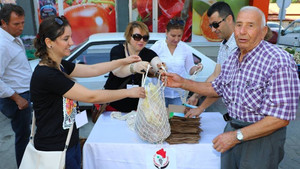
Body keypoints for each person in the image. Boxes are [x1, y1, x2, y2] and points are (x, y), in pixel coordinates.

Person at [162, 6, 299, 169]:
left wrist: (236, 136)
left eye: (250, 25)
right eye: (239, 25)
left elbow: (280, 118)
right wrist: (183, 82)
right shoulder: (234, 57)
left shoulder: (278, 61)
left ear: (263, 31)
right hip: (233, 129)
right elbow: (216, 88)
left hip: (261, 139)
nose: (242, 31)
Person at [30, 16, 145, 169]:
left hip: (69, 140)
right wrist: (129, 93)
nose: (71, 42)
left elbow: (92, 69)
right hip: (54, 147)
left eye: (70, 37)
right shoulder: (47, 74)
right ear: (49, 42)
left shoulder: (60, 65)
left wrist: (123, 61)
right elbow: (92, 96)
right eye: (66, 39)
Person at [185, 1, 237, 117]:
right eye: (211, 26)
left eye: (215, 25)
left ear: (228, 19)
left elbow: (223, 84)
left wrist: (201, 108)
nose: (213, 30)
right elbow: (215, 75)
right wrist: (196, 95)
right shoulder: (224, 45)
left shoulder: (238, 46)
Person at [104, 21, 164, 112]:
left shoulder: (147, 53)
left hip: (136, 107)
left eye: (145, 38)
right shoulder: (117, 50)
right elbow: (117, 71)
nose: (141, 41)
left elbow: (156, 62)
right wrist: (134, 67)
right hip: (113, 105)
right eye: (137, 37)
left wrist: (160, 69)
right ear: (128, 36)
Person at [0, 4, 32, 167]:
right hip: (17, 99)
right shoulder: (2, 44)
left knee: (29, 135)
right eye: (16, 24)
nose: (20, 27)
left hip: (25, 94)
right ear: (3, 23)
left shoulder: (13, 37)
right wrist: (17, 98)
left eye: (22, 23)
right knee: (23, 138)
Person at [150, 17, 203, 107]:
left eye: (179, 36)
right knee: (159, 120)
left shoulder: (185, 48)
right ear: (166, 32)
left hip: (178, 95)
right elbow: (149, 67)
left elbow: (190, 68)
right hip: (159, 94)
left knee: (175, 119)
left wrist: (197, 68)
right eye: (173, 35)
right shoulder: (157, 47)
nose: (176, 39)